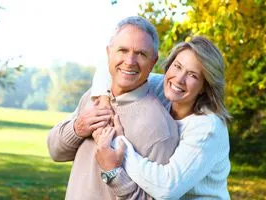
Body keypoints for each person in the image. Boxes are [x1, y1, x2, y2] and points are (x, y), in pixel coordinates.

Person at [47, 16, 179, 200]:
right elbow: (55, 151)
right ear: (109, 53)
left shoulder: (159, 128)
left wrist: (114, 173)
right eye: (122, 50)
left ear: (153, 61)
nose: (130, 61)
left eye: (141, 54)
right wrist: (78, 128)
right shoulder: (93, 97)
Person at [92, 36, 231, 199]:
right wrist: (103, 100)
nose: (179, 79)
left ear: (204, 87)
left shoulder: (208, 127)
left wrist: (118, 143)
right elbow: (107, 66)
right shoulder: (161, 87)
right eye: (177, 66)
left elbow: (166, 188)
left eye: (193, 75)